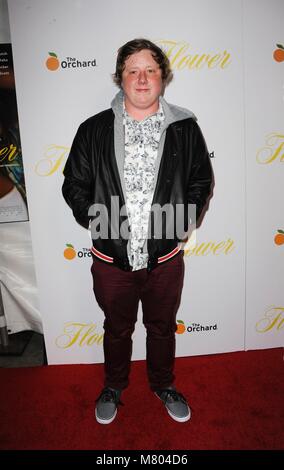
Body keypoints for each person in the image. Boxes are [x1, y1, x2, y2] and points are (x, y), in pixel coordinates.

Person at [62, 38, 213, 425]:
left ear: (163, 77)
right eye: (133, 70)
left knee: (161, 328)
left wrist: (183, 222)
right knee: (116, 328)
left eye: (150, 70)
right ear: (121, 78)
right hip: (111, 259)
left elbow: (201, 180)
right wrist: (101, 222)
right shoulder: (93, 129)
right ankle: (114, 386)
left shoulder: (185, 128)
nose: (142, 78)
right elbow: (73, 184)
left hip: (165, 258)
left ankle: (163, 384)